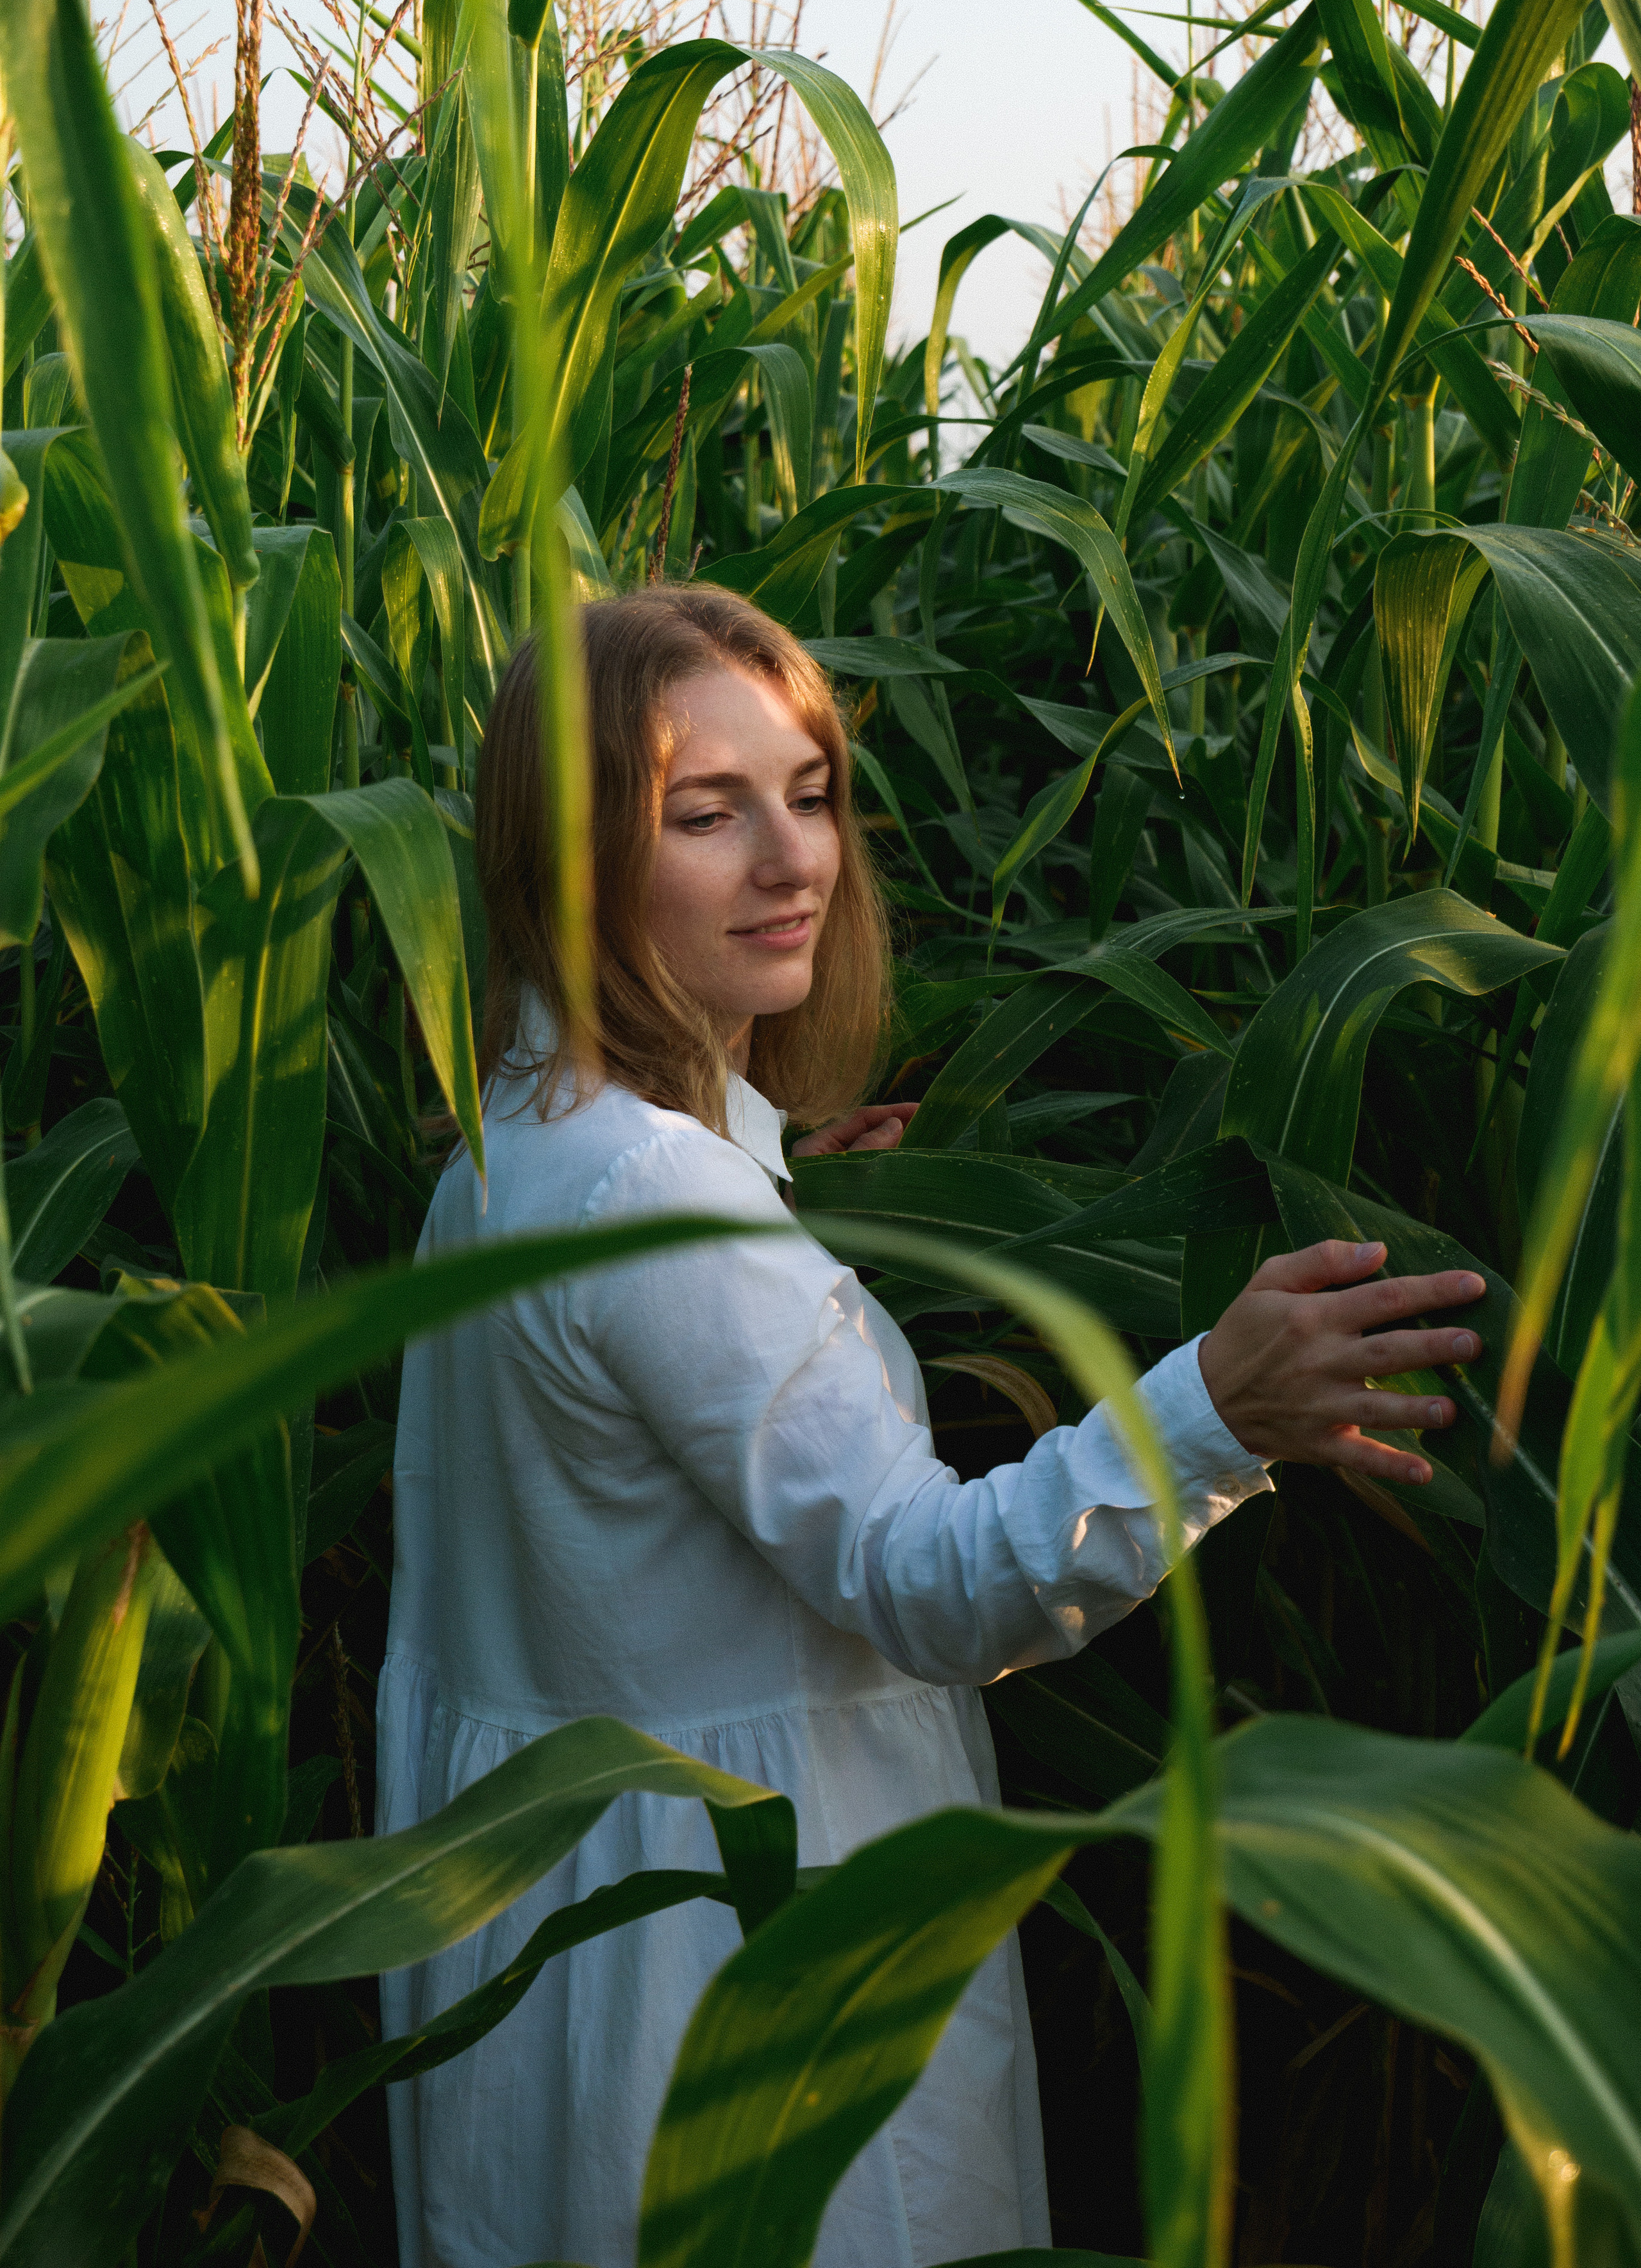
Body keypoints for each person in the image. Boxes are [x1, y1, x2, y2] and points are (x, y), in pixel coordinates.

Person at [378, 585, 1486, 2268]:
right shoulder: (663, 1201)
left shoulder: (510, 1148)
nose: (792, 859)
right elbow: (932, 1585)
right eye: (706, 812)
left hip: (573, 1929)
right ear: (573, 858)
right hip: (757, 1965)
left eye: (809, 792)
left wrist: (779, 1205)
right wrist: (1209, 1409)